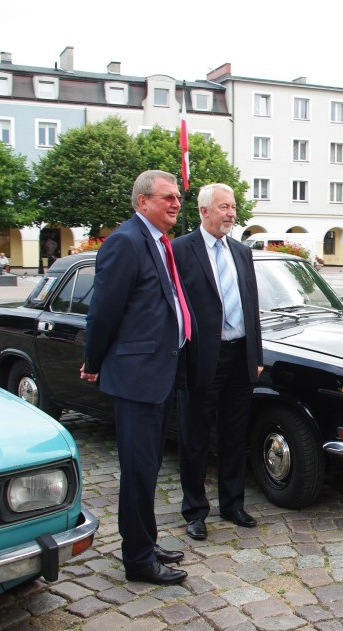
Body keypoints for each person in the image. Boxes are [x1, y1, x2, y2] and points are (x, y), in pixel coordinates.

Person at [80, 170, 191, 586]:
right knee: (139, 469)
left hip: (161, 372)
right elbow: (104, 310)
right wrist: (93, 361)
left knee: (149, 466)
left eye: (178, 197)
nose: (175, 204)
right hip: (136, 376)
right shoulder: (126, 241)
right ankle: (138, 559)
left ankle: (146, 540)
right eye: (167, 198)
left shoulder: (159, 243)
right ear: (142, 201)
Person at [172, 183, 263, 540]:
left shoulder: (242, 252)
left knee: (234, 433)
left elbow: (251, 305)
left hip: (240, 355)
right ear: (204, 211)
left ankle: (232, 503)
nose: (231, 213)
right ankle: (194, 510)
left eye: (233, 206)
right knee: (194, 437)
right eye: (224, 207)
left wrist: (255, 354)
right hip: (201, 359)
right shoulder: (180, 250)